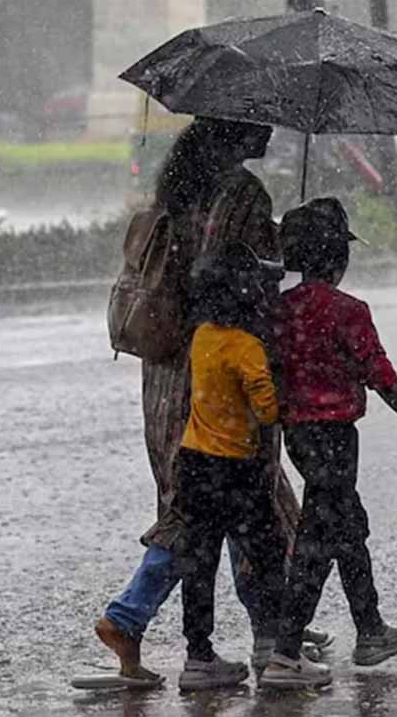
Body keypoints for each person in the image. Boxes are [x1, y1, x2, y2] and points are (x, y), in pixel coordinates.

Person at [92, 118, 328, 688]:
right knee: (233, 506)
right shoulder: (242, 192)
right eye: (259, 120)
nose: (270, 130)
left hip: (170, 371)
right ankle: (134, 618)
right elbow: (239, 279)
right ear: (234, 131)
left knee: (211, 504)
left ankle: (271, 627)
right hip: (224, 373)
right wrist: (286, 250)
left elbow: (199, 267)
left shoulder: (178, 189)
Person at [259, 198, 397, 689]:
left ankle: (370, 629)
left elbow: (273, 372)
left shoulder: (277, 311)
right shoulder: (349, 311)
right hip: (335, 438)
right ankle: (285, 653)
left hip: (298, 438)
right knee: (318, 539)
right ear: (339, 258)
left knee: (347, 526)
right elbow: (380, 375)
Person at [170, 242, 287, 690]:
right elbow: (267, 410)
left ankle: (198, 656)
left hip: (194, 464)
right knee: (267, 552)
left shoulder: (202, 336)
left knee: (200, 563)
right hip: (236, 469)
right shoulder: (247, 347)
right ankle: (272, 645)